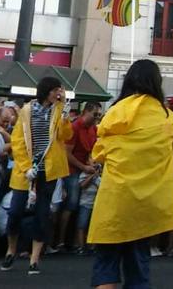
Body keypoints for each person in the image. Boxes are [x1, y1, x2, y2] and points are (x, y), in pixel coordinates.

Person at [87, 58, 173, 289]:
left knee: (106, 266)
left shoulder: (115, 112)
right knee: (138, 270)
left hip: (114, 201)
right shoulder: (169, 119)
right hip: (147, 205)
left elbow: (98, 153)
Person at [3, 77, 74, 274]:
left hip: (49, 169)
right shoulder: (27, 110)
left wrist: (65, 115)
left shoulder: (58, 110)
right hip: (26, 170)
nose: (57, 94)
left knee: (43, 214)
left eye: (58, 91)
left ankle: (34, 258)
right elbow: (18, 141)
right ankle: (11, 250)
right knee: (15, 210)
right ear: (46, 91)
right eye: (54, 91)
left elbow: (65, 136)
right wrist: (26, 167)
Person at [57, 102, 99, 252]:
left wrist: (91, 163)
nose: (96, 118)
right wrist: (84, 167)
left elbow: (92, 149)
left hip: (85, 168)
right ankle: (61, 240)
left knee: (83, 205)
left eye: (98, 115)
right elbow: (67, 153)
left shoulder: (92, 128)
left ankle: (75, 240)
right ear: (85, 112)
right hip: (72, 169)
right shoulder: (75, 127)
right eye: (94, 115)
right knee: (72, 203)